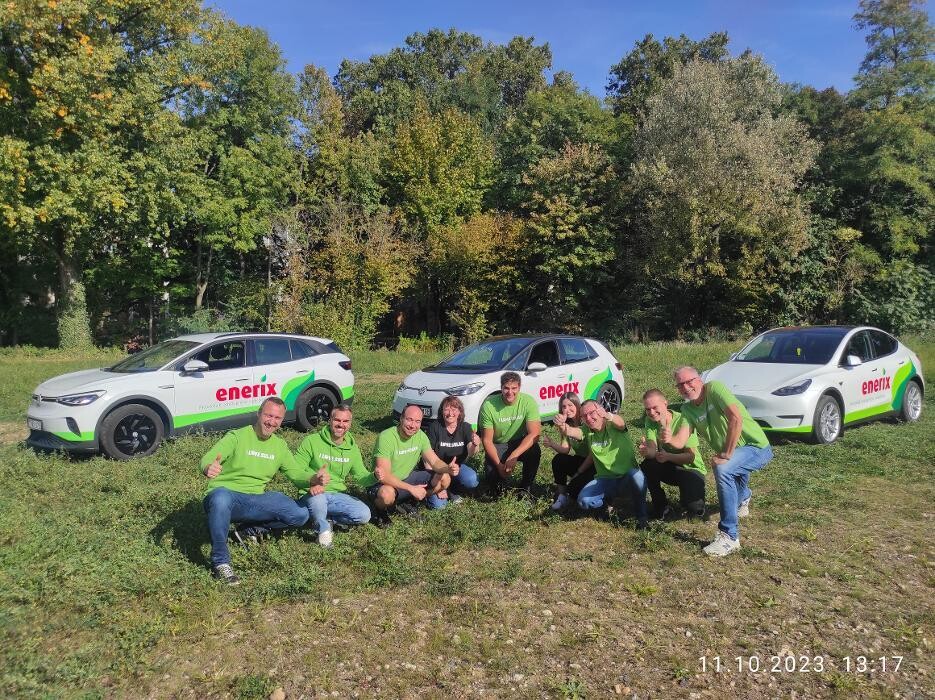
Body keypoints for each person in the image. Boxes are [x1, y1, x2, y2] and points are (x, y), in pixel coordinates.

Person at [200, 397, 310, 585]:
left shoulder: (280, 446)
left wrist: (313, 479)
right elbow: (208, 458)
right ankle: (221, 562)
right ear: (259, 413)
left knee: (300, 514)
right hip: (227, 497)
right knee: (220, 497)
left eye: (277, 418)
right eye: (268, 415)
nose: (271, 421)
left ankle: (247, 531)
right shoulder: (236, 436)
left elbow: (296, 473)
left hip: (255, 501)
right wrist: (208, 467)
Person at [669, 366, 773, 556]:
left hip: (756, 447)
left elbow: (736, 418)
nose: (686, 387)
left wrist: (726, 454)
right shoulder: (687, 409)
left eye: (689, 381)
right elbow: (680, 440)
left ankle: (729, 536)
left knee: (724, 469)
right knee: (732, 478)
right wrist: (667, 438)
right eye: (680, 384)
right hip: (736, 452)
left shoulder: (715, 388)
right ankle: (744, 496)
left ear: (699, 379)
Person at [293, 404, 371, 548]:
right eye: (337, 420)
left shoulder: (352, 448)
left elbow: (360, 475)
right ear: (330, 420)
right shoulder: (311, 441)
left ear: (350, 424)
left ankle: (322, 517)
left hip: (336, 496)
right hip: (314, 492)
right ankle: (323, 532)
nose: (341, 424)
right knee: (318, 499)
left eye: (345, 421)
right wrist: (313, 479)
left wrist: (375, 477)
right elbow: (295, 470)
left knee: (364, 514)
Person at [561, 400, 647, 528]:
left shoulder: (612, 425)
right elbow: (572, 432)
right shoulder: (587, 430)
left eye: (592, 413)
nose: (589, 418)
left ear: (600, 411)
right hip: (605, 479)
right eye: (584, 416)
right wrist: (562, 425)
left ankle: (642, 518)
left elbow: (621, 423)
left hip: (626, 478)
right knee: (584, 501)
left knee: (637, 476)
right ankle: (609, 503)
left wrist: (609, 416)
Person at [369, 404, 458, 520]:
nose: (413, 425)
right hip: (383, 483)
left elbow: (434, 461)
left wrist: (448, 468)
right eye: (409, 420)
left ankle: (410, 500)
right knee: (386, 495)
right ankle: (379, 510)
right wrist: (411, 488)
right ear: (401, 419)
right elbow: (384, 476)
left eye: (417, 421)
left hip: (407, 477)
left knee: (445, 478)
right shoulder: (386, 437)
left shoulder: (420, 436)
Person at [637, 389, 706, 519]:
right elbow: (652, 448)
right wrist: (647, 451)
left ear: (665, 403)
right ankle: (661, 507)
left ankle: (693, 500)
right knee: (647, 465)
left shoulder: (683, 420)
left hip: (691, 469)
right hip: (670, 466)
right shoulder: (650, 421)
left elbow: (690, 457)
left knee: (694, 508)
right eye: (647, 409)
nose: (651, 412)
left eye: (654, 407)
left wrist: (668, 456)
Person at [478, 371, 542, 498]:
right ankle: (499, 484)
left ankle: (525, 487)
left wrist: (514, 455)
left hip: (519, 441)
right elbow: (486, 441)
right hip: (498, 443)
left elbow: (535, 434)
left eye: (514, 388)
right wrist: (498, 465)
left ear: (519, 387)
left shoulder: (528, 401)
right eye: (506, 388)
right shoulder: (489, 405)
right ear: (501, 388)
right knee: (497, 491)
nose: (510, 392)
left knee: (534, 450)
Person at [423, 396, 481, 504]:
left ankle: (452, 489)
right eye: (447, 409)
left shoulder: (466, 427)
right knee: (439, 505)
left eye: (454, 409)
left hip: (456, 467)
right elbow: (427, 458)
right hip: (437, 470)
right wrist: (437, 485)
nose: (450, 413)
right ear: (442, 411)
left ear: (460, 412)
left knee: (472, 480)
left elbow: (472, 452)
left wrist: (475, 444)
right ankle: (435, 489)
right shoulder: (434, 427)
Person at [544, 392, 594, 510]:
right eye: (564, 407)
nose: (567, 409)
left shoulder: (586, 421)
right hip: (580, 460)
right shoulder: (567, 425)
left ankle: (573, 493)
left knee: (574, 489)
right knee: (559, 459)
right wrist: (551, 444)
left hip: (593, 463)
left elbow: (592, 454)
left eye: (570, 405)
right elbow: (565, 450)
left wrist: (578, 473)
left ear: (577, 405)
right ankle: (561, 495)